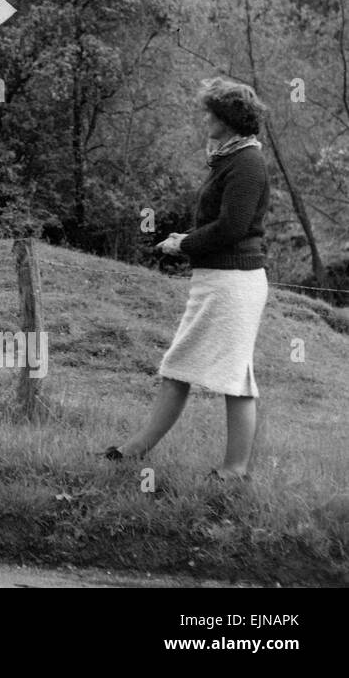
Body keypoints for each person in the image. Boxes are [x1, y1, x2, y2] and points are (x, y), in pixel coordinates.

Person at [105, 77, 271, 480]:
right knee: (178, 366)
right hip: (216, 281)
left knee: (235, 377)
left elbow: (233, 227)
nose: (206, 118)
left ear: (229, 118)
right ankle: (133, 452)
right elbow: (221, 223)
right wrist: (188, 240)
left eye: (211, 112)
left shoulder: (247, 163)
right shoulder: (229, 157)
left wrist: (184, 244)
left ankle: (234, 471)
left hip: (234, 284)